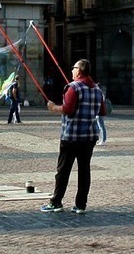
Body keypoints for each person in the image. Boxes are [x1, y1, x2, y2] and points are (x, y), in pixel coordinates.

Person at [42, 59, 105, 213]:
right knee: (84, 171)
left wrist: (53, 107)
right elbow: (102, 111)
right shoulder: (97, 89)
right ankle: (80, 205)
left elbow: (68, 109)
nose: (71, 71)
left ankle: (56, 202)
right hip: (89, 136)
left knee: (63, 171)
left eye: (74, 68)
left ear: (79, 70)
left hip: (71, 136)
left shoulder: (73, 88)